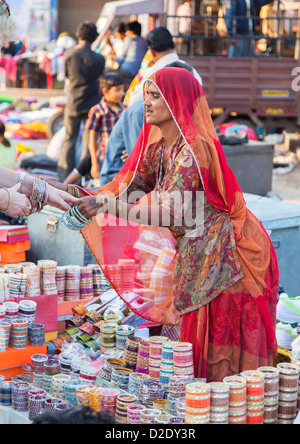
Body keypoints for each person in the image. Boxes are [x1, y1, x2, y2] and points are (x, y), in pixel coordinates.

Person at [72, 67, 279, 382]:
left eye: (156, 96)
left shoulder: (194, 151)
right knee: (193, 349)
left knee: (222, 358)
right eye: (146, 96)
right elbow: (131, 191)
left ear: (178, 102)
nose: (147, 103)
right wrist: (70, 193)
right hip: (196, 251)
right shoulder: (158, 148)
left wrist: (105, 204)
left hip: (227, 256)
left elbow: (174, 214)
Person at [57, 21, 105, 182]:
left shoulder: (70, 54)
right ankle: (82, 178)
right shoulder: (100, 59)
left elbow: (68, 76)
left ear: (78, 35)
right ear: (94, 38)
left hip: (74, 102)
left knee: (69, 139)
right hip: (92, 103)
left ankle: (65, 176)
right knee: (88, 142)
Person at [63, 72, 126, 185]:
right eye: (117, 90)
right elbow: (92, 139)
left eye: (122, 90)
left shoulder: (125, 110)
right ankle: (62, 188)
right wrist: (94, 162)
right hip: (103, 156)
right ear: (105, 91)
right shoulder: (97, 111)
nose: (122, 93)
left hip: (120, 157)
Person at [126, 26, 202, 106]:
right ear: (174, 45)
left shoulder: (154, 73)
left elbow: (133, 101)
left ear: (151, 51)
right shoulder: (192, 71)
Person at [113, 21, 148, 88]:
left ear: (131, 32)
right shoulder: (144, 40)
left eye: (127, 31)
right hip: (140, 71)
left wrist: (113, 57)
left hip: (127, 70)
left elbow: (121, 59)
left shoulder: (128, 39)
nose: (126, 33)